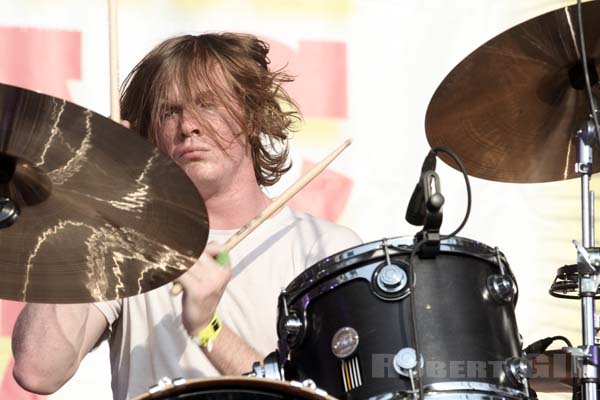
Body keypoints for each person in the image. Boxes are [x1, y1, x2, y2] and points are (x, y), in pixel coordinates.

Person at [11, 32, 361, 399]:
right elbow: (37, 371)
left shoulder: (323, 249)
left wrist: (209, 329)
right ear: (150, 136)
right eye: (169, 111)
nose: (187, 125)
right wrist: (88, 209)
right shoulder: (122, 244)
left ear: (253, 116)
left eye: (208, 104)